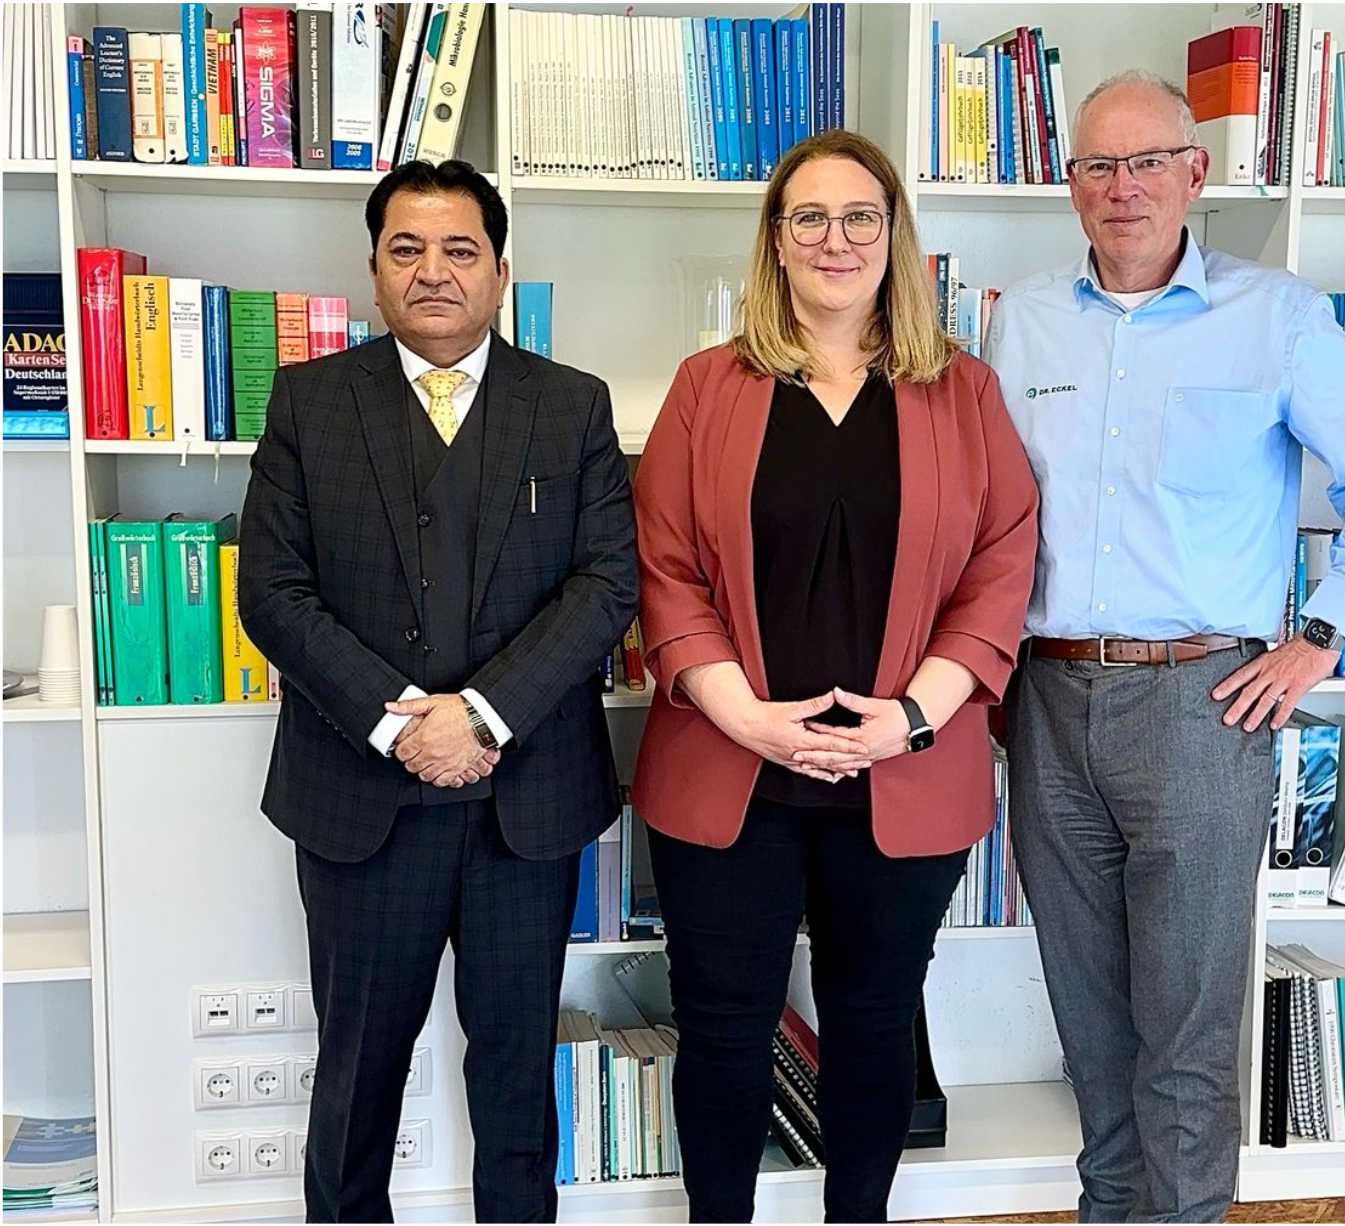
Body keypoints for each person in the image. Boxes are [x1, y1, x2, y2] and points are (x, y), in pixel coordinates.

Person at [985, 72, 1345, 1223]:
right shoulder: (1019, 319)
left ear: (1194, 173)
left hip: (1201, 701)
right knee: (1088, 1020)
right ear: (1068, 183)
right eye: (1098, 164)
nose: (1122, 186)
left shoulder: (1274, 315)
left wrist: (1319, 633)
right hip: (1043, 698)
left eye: (1147, 161)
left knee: (1184, 1030)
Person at [631, 129, 1038, 1223]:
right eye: (807, 217)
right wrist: (744, 717)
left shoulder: (964, 392)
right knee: (724, 1026)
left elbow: (1001, 566)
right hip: (729, 767)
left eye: (860, 216)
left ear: (894, 236)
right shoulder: (708, 386)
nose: (834, 240)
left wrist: (909, 718)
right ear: (775, 240)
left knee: (873, 1020)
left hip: (904, 767)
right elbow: (663, 565)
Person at [238, 159, 637, 1223]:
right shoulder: (312, 402)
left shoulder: (572, 405)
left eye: (460, 249)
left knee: (517, 1080)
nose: (433, 271)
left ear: (499, 270)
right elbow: (271, 592)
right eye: (405, 249)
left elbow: (607, 586)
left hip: (524, 804)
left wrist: (482, 715)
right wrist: (400, 725)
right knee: (357, 1075)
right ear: (373, 269)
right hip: (361, 803)